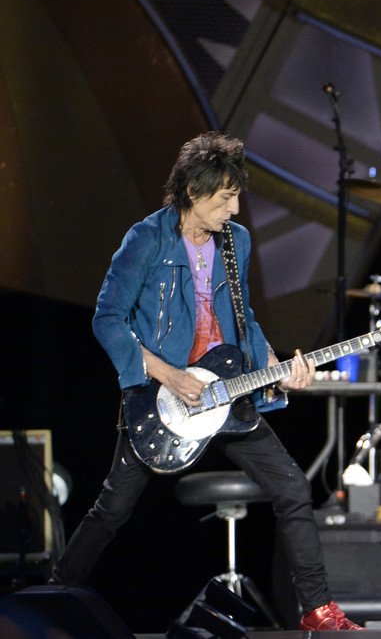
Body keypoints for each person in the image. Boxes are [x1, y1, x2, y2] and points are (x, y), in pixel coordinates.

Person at [50, 132, 363, 631]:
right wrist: (167, 374)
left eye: (236, 197)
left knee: (293, 488)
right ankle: (54, 597)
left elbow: (243, 319)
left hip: (226, 392)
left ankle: (318, 610)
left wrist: (276, 369)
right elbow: (107, 319)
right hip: (162, 397)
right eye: (225, 198)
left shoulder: (235, 241)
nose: (234, 209)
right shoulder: (146, 239)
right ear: (194, 192)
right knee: (113, 508)